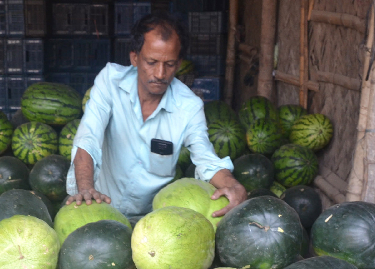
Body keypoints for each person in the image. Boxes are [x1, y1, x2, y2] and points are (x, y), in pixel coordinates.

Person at [65, 11, 247, 218]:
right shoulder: (110, 82)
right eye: (151, 62)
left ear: (178, 64)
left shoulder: (189, 107)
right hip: (99, 206)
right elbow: (88, 137)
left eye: (169, 65)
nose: (160, 74)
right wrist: (86, 188)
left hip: (153, 219)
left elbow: (207, 161)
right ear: (135, 58)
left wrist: (233, 185)